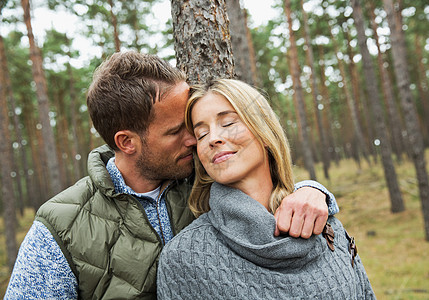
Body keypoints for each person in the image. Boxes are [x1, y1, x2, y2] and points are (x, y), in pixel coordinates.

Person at [5, 52, 339, 299]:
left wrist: (313, 190)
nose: (197, 140)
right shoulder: (61, 229)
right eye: (177, 131)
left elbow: (267, 178)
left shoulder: (204, 176)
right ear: (127, 142)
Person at [157, 79, 375, 299]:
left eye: (228, 123)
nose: (213, 138)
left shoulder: (325, 224)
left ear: (264, 130)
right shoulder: (185, 258)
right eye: (201, 134)